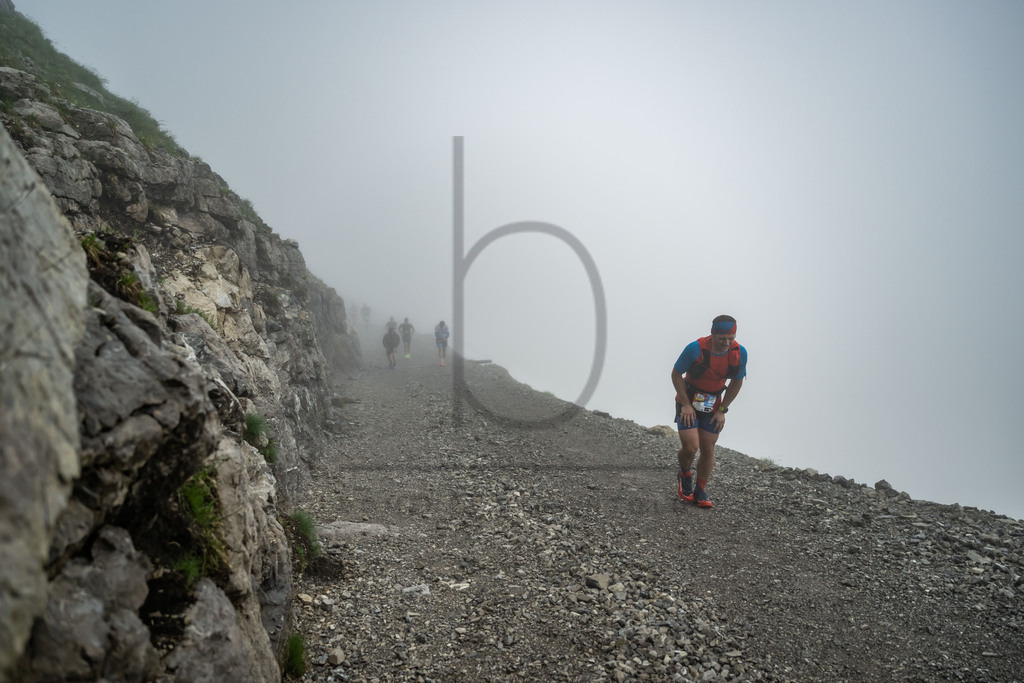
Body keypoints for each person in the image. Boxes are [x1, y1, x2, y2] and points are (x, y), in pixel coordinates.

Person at [670, 315, 748, 508]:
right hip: (688, 400)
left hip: (713, 405)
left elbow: (737, 381)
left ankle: (700, 489)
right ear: (713, 334)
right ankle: (685, 473)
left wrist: (722, 410)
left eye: (732, 338)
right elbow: (676, 374)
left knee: (708, 447)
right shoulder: (695, 349)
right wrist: (686, 405)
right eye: (723, 339)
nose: (727, 343)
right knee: (690, 447)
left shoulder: (739, 353)